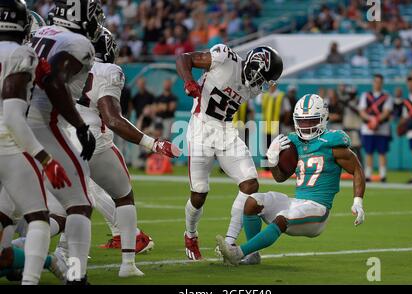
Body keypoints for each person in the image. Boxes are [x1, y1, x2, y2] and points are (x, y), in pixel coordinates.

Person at [72, 28, 180, 276]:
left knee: (63, 206)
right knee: (122, 196)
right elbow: (112, 118)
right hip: (93, 141)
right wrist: (153, 144)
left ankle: (50, 260)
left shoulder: (67, 63)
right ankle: (128, 262)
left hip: (59, 138)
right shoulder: (109, 71)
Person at [216, 94, 366, 265]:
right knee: (253, 201)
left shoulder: (332, 143)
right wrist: (272, 162)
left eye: (311, 121)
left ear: (323, 119)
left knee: (282, 217)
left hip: (317, 209)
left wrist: (358, 201)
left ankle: (238, 253)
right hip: (297, 202)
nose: (306, 125)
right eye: (302, 121)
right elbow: (280, 178)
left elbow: (357, 169)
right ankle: (253, 255)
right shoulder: (294, 142)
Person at [176, 44, 283, 260]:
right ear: (254, 65)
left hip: (226, 131)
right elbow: (183, 58)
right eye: (262, 77)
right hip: (201, 128)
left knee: (250, 183)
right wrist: (189, 80)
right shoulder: (224, 58)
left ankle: (229, 243)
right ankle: (190, 234)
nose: (261, 84)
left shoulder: (251, 87)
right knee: (199, 194)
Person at [26, 0, 104, 284]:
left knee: (9, 212)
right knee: (80, 204)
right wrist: (81, 125)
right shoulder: (78, 42)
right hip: (43, 124)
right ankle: (76, 276)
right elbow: (55, 83)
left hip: (11, 124)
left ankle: (25, 268)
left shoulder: (38, 33)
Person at [0, 0, 70, 285]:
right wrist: (46, 159)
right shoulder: (21, 54)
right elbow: (14, 117)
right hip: (10, 144)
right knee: (39, 217)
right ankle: (46, 264)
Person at [358, 74, 393, 182]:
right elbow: (362, 111)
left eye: (379, 82)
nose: (377, 84)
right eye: (376, 81)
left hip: (382, 129)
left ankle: (383, 174)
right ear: (373, 82)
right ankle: (368, 174)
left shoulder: (387, 96)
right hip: (368, 129)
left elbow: (387, 112)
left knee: (382, 152)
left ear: (382, 83)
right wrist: (371, 119)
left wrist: (376, 120)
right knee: (369, 152)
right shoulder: (366, 95)